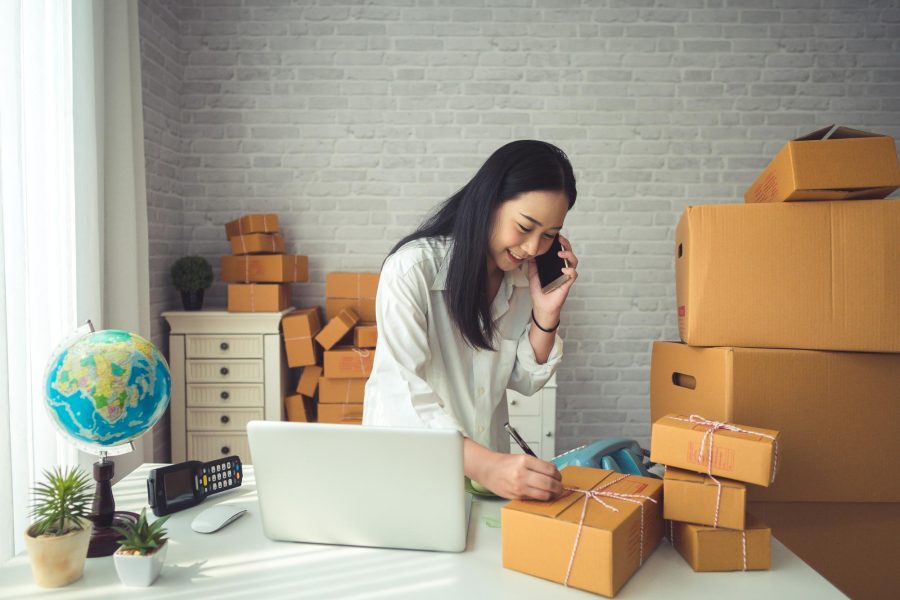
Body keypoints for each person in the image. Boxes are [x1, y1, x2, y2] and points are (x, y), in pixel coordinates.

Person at [362, 140, 579, 501]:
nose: (531, 248)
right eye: (524, 227)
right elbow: (401, 395)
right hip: (411, 474)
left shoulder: (523, 279)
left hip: (483, 482)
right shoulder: (412, 270)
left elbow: (524, 380)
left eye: (549, 236)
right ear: (489, 201)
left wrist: (546, 315)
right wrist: (488, 466)